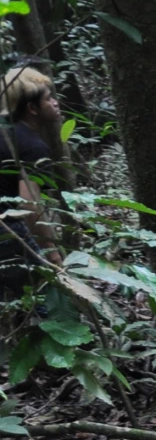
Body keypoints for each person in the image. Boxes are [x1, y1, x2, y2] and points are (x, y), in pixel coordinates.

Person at [0, 65, 62, 297]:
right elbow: (30, 206)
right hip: (7, 229)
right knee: (44, 302)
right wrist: (52, 253)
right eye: (49, 99)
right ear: (32, 108)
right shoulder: (32, 146)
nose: (55, 102)